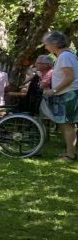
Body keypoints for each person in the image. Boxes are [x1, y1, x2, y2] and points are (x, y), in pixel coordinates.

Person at [41, 30, 78, 161]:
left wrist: (54, 90)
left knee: (67, 124)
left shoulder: (65, 56)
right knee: (63, 124)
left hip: (68, 94)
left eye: (47, 44)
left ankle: (70, 155)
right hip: (66, 93)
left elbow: (70, 77)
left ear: (55, 43)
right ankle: (69, 152)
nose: (45, 47)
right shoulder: (65, 55)